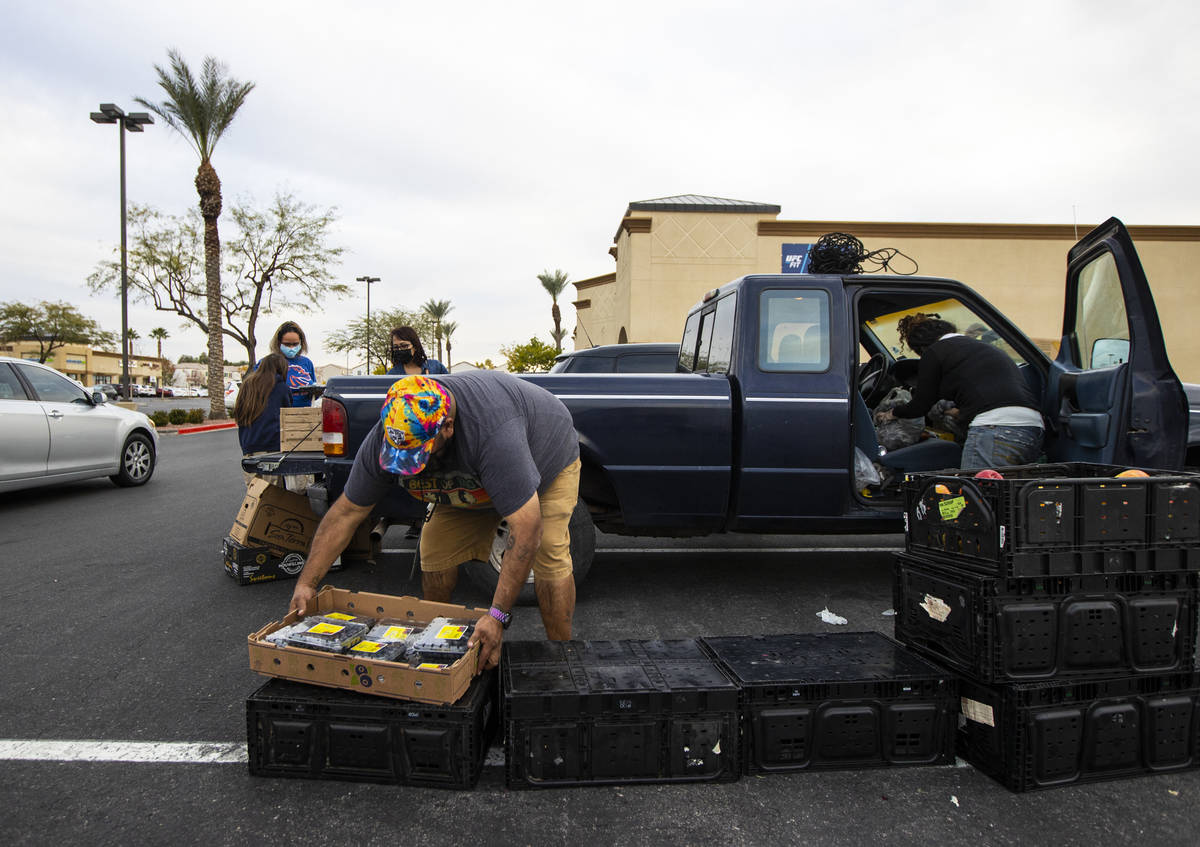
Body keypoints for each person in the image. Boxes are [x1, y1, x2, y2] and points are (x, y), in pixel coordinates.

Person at [288, 372, 580, 669]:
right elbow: (346, 513)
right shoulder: (391, 432)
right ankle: (441, 654)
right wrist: (306, 584)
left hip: (545, 458)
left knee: (550, 554)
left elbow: (527, 531)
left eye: (418, 454)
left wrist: (497, 617)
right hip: (470, 477)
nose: (410, 467)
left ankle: (562, 660)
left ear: (448, 427)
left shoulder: (492, 433)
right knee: (435, 555)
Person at [874, 313, 1044, 468]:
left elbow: (920, 405)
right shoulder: (982, 349)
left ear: (922, 348)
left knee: (978, 494)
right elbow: (985, 399)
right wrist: (948, 412)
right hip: (1031, 430)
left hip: (995, 431)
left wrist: (891, 413)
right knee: (1007, 496)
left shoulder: (935, 352)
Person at [234, 353, 291, 484]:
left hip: (249, 448)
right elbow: (287, 415)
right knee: (273, 497)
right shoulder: (280, 387)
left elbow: (239, 413)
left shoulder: (247, 385)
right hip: (272, 448)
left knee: (254, 495)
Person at [269, 321, 317, 407]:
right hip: (278, 415)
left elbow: (314, 391)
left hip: (305, 414)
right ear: (279, 343)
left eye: (295, 344)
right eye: (287, 344)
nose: (291, 348)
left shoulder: (307, 363)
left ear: (301, 343)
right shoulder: (268, 362)